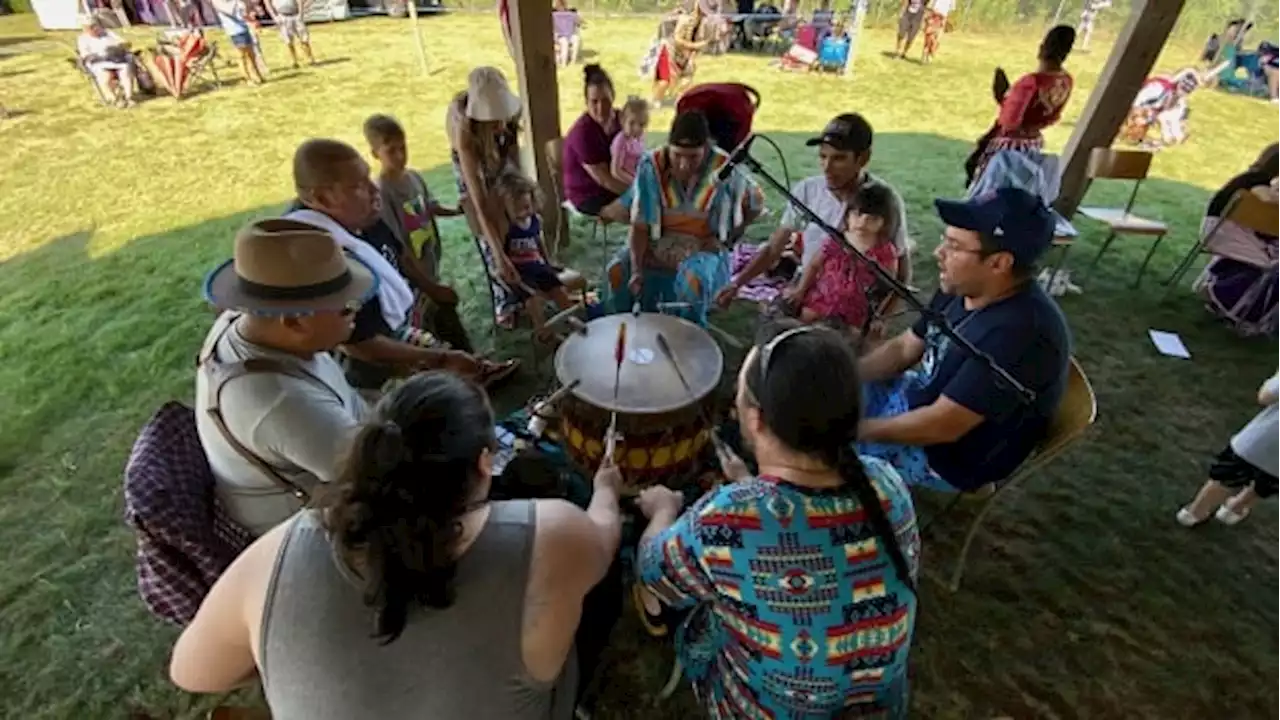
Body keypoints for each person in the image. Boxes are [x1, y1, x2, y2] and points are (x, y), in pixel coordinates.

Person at [171, 372, 625, 719]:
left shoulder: (278, 550)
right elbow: (604, 538)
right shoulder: (554, 535)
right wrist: (605, 488)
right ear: (485, 464)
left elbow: (192, 671)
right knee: (600, 580)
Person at [635, 321, 919, 718]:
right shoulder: (886, 481)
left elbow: (653, 569)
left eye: (741, 396)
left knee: (666, 594)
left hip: (769, 711)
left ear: (757, 420)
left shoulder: (725, 521)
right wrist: (750, 486)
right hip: (881, 707)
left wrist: (662, 509)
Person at [857, 187, 1071, 492]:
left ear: (999, 263)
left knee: (814, 451)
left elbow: (941, 425)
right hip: (919, 403)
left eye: (954, 246)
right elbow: (906, 346)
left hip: (945, 458)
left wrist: (852, 431)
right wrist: (847, 376)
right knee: (814, 389)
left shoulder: (1022, 334)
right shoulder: (961, 286)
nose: (938, 252)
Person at [283, 139, 514, 392]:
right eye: (358, 185)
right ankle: (454, 381)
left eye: (368, 178)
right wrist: (440, 359)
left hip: (399, 307)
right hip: (374, 352)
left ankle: (475, 371)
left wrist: (431, 288)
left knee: (442, 311)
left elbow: (398, 252)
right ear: (321, 198)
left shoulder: (356, 215)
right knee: (427, 386)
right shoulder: (319, 254)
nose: (374, 190)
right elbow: (362, 346)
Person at [196, 218, 376, 535]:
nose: (357, 311)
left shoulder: (241, 322)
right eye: (346, 307)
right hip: (309, 536)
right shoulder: (283, 403)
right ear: (294, 321)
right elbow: (382, 475)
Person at [716, 113, 911, 308]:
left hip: (855, 304)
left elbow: (901, 273)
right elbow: (774, 248)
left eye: (839, 158)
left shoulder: (884, 201)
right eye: (823, 157)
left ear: (863, 158)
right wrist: (737, 284)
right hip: (807, 291)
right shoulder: (807, 190)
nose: (827, 167)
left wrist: (881, 318)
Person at [607, 110, 765, 325]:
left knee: (694, 280)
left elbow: (755, 202)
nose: (684, 164)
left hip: (703, 248)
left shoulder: (722, 167)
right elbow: (640, 225)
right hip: (657, 241)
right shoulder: (651, 167)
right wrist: (636, 270)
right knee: (616, 271)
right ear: (668, 149)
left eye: (693, 157)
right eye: (677, 155)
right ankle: (628, 330)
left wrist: (727, 238)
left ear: (706, 150)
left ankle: (687, 336)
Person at [363, 114, 473, 356]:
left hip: (428, 262)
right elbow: (397, 249)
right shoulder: (383, 192)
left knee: (441, 314)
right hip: (413, 277)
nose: (401, 155)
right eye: (392, 151)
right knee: (430, 323)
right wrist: (430, 286)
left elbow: (429, 206)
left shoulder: (413, 178)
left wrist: (456, 210)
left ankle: (464, 361)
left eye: (403, 147)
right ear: (375, 153)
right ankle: (459, 362)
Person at [448, 67, 525, 328]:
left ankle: (527, 280)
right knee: (488, 232)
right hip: (473, 173)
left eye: (502, 116)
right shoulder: (465, 133)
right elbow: (480, 203)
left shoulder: (510, 120)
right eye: (493, 119)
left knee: (514, 218)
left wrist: (519, 199)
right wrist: (499, 254)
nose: (501, 124)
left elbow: (516, 170)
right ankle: (503, 297)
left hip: (498, 164)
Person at [968, 25, 1075, 187]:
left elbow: (1009, 121)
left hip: (1010, 147)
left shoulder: (1031, 82)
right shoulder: (1066, 81)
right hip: (1033, 144)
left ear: (1042, 48)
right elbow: (1053, 116)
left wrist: (1004, 98)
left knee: (990, 189)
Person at [784, 183, 899, 332]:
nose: (863, 222)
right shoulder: (837, 240)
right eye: (857, 214)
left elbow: (890, 287)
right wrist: (800, 290)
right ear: (847, 215)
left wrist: (880, 316)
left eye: (872, 218)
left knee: (851, 337)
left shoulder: (885, 251)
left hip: (854, 312)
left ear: (885, 222)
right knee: (805, 321)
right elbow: (813, 265)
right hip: (821, 299)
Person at [1193, 145, 1280, 336]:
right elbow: (1267, 200)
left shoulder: (1252, 177)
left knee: (1269, 255)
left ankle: (1227, 296)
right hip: (1222, 232)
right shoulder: (1257, 181)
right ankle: (1227, 301)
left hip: (1227, 230)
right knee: (1270, 266)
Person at [1177, 369, 1280, 527]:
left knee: (1226, 477)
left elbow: (1265, 396)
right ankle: (1235, 508)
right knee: (1269, 482)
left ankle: (1195, 512)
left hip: (1258, 443)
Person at [494, 170, 575, 340]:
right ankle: (543, 330)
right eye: (517, 209)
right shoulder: (507, 227)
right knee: (533, 300)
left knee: (558, 289)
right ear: (505, 208)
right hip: (519, 273)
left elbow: (539, 244)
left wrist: (548, 262)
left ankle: (571, 319)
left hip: (538, 267)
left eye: (527, 207)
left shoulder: (535, 220)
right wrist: (503, 272)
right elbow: (500, 253)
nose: (524, 212)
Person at [561, 64, 630, 221]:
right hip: (589, 193)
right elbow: (604, 179)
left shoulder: (623, 120)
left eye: (605, 100)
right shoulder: (583, 133)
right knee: (642, 212)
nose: (601, 108)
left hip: (617, 182)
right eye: (594, 102)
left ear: (613, 96)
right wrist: (639, 193)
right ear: (586, 103)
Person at [652, 2, 708, 109]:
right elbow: (678, 39)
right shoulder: (685, 19)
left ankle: (679, 101)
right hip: (670, 51)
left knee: (686, 80)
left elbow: (699, 40)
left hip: (686, 54)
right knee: (665, 81)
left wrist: (692, 57)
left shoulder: (703, 24)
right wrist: (694, 46)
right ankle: (656, 100)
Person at [77, 16, 138, 107]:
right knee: (105, 75)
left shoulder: (108, 33)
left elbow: (124, 43)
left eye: (94, 26)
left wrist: (121, 46)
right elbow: (85, 55)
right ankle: (113, 99)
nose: (94, 29)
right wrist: (100, 55)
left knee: (126, 69)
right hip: (98, 62)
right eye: (90, 27)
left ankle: (128, 97)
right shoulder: (83, 39)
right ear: (85, 29)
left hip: (115, 59)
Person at [213, 0, 265, 85]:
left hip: (244, 27)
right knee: (242, 55)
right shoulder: (218, 2)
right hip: (235, 30)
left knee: (251, 54)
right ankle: (247, 78)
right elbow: (231, 11)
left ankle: (257, 74)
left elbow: (244, 10)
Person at [609, 96, 650, 186]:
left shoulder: (640, 137)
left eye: (641, 124)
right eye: (632, 123)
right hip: (627, 183)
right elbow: (616, 171)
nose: (637, 128)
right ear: (623, 121)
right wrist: (636, 183)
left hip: (639, 175)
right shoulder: (621, 141)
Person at [264, 0, 314, 69]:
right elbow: (267, 4)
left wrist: (300, 14)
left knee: (304, 39)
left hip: (295, 15)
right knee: (288, 41)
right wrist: (274, 17)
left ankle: (310, 59)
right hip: (282, 16)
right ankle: (294, 61)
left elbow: (299, 1)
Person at [552, 0, 583, 67]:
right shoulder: (553, 15)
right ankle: (564, 63)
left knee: (576, 39)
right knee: (564, 42)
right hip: (559, 36)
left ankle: (573, 61)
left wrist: (578, 15)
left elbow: (579, 22)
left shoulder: (571, 14)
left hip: (570, 35)